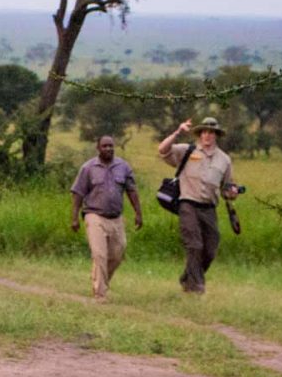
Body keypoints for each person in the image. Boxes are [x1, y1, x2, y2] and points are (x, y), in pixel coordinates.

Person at [158, 118, 239, 294]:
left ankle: (187, 278)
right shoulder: (187, 151)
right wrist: (177, 131)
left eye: (211, 132)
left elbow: (226, 187)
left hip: (209, 207)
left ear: (216, 135)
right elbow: (162, 150)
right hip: (188, 204)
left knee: (210, 249)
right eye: (204, 131)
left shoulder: (224, 160)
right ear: (200, 134)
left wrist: (232, 193)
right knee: (194, 245)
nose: (207, 135)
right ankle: (196, 288)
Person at [70, 135, 143, 301]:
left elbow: (132, 191)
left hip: (116, 218)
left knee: (118, 254)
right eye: (104, 146)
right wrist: (74, 218)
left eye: (111, 146)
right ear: (98, 148)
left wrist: (138, 213)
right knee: (99, 254)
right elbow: (78, 193)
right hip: (94, 215)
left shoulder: (123, 167)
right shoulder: (88, 168)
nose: (108, 149)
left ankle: (101, 280)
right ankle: (100, 294)